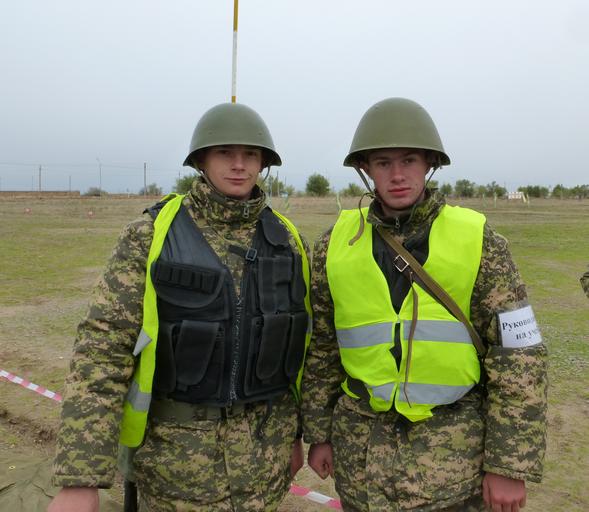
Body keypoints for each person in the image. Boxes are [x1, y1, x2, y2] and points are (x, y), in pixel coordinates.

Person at [48, 102, 312, 511]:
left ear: (264, 163)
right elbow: (102, 350)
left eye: (250, 154)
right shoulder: (151, 235)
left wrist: (294, 436)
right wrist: (80, 479)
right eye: (225, 152)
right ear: (201, 160)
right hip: (175, 471)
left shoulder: (289, 241)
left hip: (265, 467)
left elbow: (294, 350)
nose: (239, 164)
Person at [301, 98, 547, 511]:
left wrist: (508, 465)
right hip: (361, 463)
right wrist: (320, 433)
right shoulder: (334, 245)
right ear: (365, 169)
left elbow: (519, 355)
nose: (397, 175)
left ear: (429, 163)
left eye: (409, 160)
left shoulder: (479, 240)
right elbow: (323, 348)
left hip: (453, 467)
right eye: (383, 163)